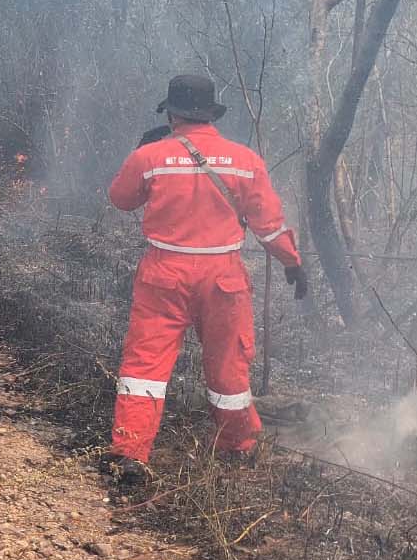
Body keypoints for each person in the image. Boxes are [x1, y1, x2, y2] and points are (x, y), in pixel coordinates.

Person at [106, 74, 307, 483]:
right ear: (210, 114)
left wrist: (143, 152)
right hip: (224, 277)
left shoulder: (151, 156)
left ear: (173, 113)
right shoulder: (245, 160)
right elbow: (268, 225)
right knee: (228, 368)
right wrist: (292, 262)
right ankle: (237, 446)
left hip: (164, 275)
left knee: (144, 366)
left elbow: (120, 200)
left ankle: (130, 453)